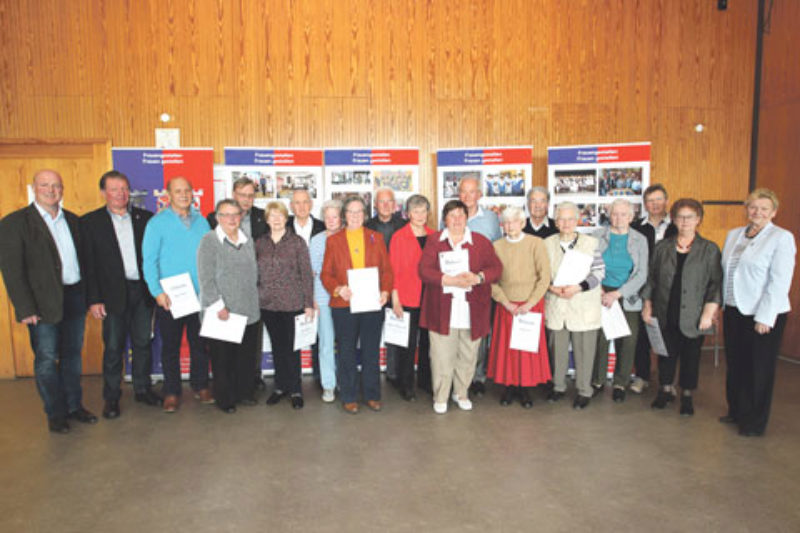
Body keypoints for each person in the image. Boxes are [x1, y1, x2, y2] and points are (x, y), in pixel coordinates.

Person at [0, 169, 97, 433]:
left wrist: (90, 297)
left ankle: (74, 406)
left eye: (56, 185)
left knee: (72, 357)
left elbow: (85, 261)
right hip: (41, 304)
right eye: (45, 185)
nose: (51, 190)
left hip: (74, 296)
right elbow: (12, 270)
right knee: (46, 359)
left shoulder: (74, 221)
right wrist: (25, 307)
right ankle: (55, 413)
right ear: (34, 188)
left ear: (62, 190)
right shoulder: (15, 223)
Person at [80, 170, 160, 420]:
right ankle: (112, 397)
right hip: (111, 294)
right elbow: (88, 264)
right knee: (114, 347)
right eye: (114, 189)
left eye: (124, 189)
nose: (121, 194)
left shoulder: (145, 218)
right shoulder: (90, 222)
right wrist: (93, 299)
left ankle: (142, 389)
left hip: (142, 291)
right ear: (104, 193)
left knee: (142, 343)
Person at [720, 189, 796, 436]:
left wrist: (766, 316)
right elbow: (726, 273)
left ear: (773, 212)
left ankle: (753, 422)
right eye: (753, 207)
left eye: (764, 208)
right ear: (746, 209)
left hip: (762, 314)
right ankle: (737, 411)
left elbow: (780, 280)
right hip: (733, 309)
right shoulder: (734, 235)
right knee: (736, 364)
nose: (758, 212)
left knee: (758, 368)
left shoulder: (781, 237)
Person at [419, 200, 502, 414]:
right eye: (452, 215)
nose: (456, 220)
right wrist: (448, 279)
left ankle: (461, 392)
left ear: (467, 218)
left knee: (468, 355)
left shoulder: (481, 242)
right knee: (441, 357)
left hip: (472, 310)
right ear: (444, 219)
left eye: (461, 215)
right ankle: (441, 396)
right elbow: (424, 271)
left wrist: (478, 277)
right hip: (442, 310)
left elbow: (496, 269)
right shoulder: (434, 241)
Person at [642, 198, 722, 416]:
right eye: (680, 217)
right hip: (665, 309)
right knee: (665, 353)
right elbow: (651, 279)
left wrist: (709, 312)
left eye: (690, 217)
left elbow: (716, 284)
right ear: (673, 219)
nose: (685, 221)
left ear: (699, 220)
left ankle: (687, 394)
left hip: (694, 314)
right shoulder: (662, 247)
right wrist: (647, 306)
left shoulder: (709, 249)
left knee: (690, 356)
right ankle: (665, 389)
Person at [142, 176, 212, 413]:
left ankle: (200, 385)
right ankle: (171, 391)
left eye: (187, 191)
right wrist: (157, 292)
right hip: (170, 298)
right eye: (178, 191)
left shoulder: (202, 222)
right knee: (170, 347)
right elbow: (149, 261)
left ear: (193, 194)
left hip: (199, 296)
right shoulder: (156, 224)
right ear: (168, 195)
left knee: (200, 345)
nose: (183, 195)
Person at [321, 196, 393, 414]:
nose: (354, 216)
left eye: (359, 211)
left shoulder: (376, 238)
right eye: (350, 212)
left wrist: (385, 291)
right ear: (344, 216)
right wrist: (338, 288)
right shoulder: (333, 241)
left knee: (371, 350)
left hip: (372, 304)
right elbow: (326, 274)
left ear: (365, 214)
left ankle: (372, 395)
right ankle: (349, 396)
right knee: (346, 351)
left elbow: (387, 270)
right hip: (344, 304)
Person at [197, 199, 261, 413]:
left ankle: (244, 393)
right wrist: (217, 306)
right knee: (223, 359)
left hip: (249, 308)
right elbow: (205, 278)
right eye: (226, 214)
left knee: (245, 357)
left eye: (236, 214)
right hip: (222, 311)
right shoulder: (209, 241)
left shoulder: (247, 239)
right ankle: (225, 399)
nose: (232, 219)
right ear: (217, 217)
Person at [207, 177, 269, 391]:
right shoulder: (212, 222)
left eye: (251, 195)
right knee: (225, 348)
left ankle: (251, 379)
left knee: (251, 342)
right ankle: (227, 389)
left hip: (253, 292)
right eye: (242, 195)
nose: (246, 199)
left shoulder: (263, 217)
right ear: (234, 194)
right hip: (225, 293)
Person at [543, 202, 605, 410]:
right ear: (555, 220)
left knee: (585, 351)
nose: (566, 223)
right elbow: (540, 274)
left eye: (570, 219)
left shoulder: (591, 243)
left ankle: (584, 390)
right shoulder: (546, 243)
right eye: (561, 219)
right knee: (557, 350)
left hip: (583, 303)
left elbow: (598, 273)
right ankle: (558, 386)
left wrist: (578, 288)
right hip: (556, 303)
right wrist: (551, 288)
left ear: (578, 220)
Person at [488, 206, 551, 408]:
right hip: (506, 305)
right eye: (505, 222)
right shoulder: (496, 246)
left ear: (522, 223)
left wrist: (530, 303)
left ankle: (525, 388)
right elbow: (491, 280)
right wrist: (505, 302)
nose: (509, 226)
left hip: (530, 306)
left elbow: (545, 277)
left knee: (525, 351)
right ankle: (509, 387)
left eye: (514, 221)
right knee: (507, 350)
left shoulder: (536, 243)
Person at [256, 201, 314, 409]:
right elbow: (255, 273)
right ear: (267, 219)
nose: (276, 219)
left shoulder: (297, 242)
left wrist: (308, 303)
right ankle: (280, 387)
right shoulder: (260, 243)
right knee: (278, 347)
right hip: (268, 304)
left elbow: (306, 275)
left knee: (292, 349)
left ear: (285, 217)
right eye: (272, 216)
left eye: (280, 215)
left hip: (292, 303)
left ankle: (296, 389)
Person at [590, 199, 648, 402]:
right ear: (609, 215)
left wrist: (617, 294)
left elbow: (642, 273)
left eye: (624, 214)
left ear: (632, 217)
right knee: (600, 338)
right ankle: (597, 381)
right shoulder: (596, 236)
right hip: (600, 292)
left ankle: (620, 383)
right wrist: (600, 290)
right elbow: (588, 265)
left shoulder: (640, 240)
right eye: (615, 214)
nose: (619, 218)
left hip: (628, 296)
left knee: (628, 340)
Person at [629, 184, 678, 393]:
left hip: (669, 288)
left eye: (659, 199)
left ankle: (667, 381)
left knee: (668, 335)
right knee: (641, 336)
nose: (655, 204)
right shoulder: (636, 227)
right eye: (650, 200)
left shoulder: (677, 226)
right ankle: (642, 376)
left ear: (666, 201)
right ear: (645, 204)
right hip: (641, 286)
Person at [388, 194, 435, 401]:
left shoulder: (435, 235)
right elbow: (392, 270)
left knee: (428, 342)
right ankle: (405, 383)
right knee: (406, 344)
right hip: (407, 297)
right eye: (415, 211)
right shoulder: (399, 236)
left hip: (431, 297)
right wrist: (395, 298)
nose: (420, 215)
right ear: (407, 214)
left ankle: (425, 381)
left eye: (424, 210)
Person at [457, 176, 501, 397]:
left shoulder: (491, 219)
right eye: (463, 192)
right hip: (456, 286)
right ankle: (461, 375)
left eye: (472, 192)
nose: (467, 196)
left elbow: (498, 251)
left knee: (480, 333)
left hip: (481, 285)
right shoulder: (452, 216)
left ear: (479, 194)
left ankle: (478, 377)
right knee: (459, 331)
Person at [366, 187, 407, 385]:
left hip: (400, 285)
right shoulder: (366, 226)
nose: (386, 205)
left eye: (389, 201)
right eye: (381, 202)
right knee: (372, 332)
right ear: (375, 205)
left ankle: (395, 373)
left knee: (397, 329)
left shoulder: (405, 225)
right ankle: (372, 374)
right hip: (373, 287)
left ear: (395, 204)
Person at [309, 200, 343, 403]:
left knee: (346, 344)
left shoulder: (349, 237)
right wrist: (312, 299)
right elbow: (312, 272)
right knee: (326, 344)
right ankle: (329, 385)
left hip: (346, 299)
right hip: (322, 299)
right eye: (327, 217)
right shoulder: (316, 240)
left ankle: (344, 381)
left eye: (335, 216)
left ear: (341, 218)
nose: (331, 221)